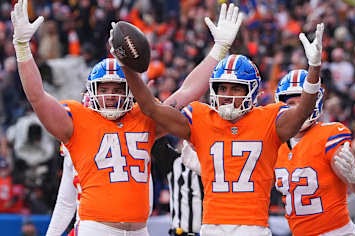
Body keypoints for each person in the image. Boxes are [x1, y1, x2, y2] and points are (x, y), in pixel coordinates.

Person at [11, 0, 243, 234]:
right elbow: (37, 97)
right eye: (104, 89)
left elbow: (187, 91)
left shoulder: (143, 116)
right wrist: (22, 47)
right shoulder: (78, 119)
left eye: (116, 88)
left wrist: (219, 50)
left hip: (139, 230)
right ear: (92, 91)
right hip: (97, 228)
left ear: (129, 91)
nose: (110, 95)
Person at [113, 16, 325, 235]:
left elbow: (302, 112)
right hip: (212, 226)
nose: (227, 95)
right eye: (222, 88)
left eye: (236, 89)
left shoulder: (269, 118)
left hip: (252, 227)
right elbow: (151, 109)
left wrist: (314, 70)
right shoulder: (201, 116)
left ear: (251, 91)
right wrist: (126, 66)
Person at [273, 69, 355, 235]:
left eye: (304, 101)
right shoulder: (277, 145)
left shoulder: (329, 135)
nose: (299, 109)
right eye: (291, 103)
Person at [152, 138, 203, 236]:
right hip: (181, 232)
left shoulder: (213, 162)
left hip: (208, 231)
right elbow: (156, 140)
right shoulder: (174, 162)